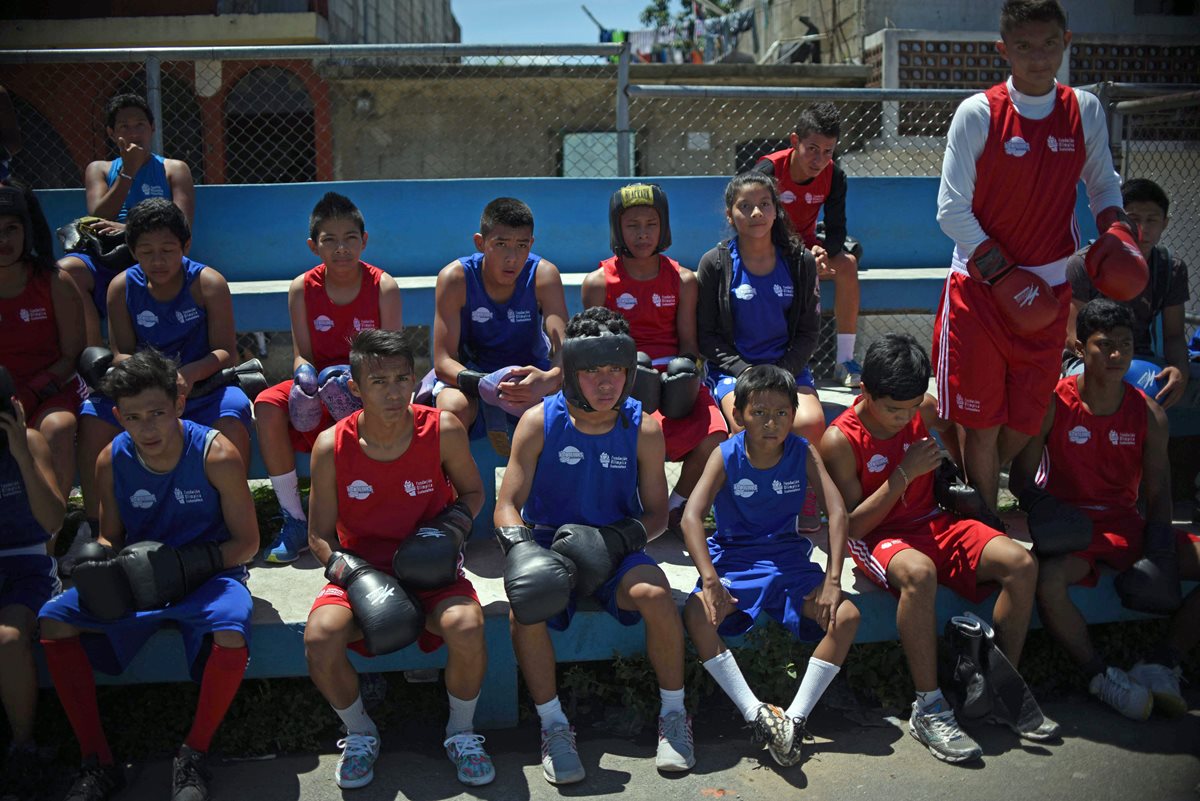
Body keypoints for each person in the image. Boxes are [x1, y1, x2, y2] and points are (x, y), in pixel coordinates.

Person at [932, 0, 1144, 515]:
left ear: (1066, 41)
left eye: (1049, 43)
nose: (1037, 57)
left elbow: (1102, 186)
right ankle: (983, 522)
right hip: (980, 290)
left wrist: (1116, 227)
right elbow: (949, 210)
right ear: (1004, 49)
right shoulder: (979, 113)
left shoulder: (1085, 110)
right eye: (1023, 46)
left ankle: (959, 484)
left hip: (1049, 293)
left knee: (1026, 420)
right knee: (980, 421)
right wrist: (1003, 274)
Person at [820, 334, 1054, 763]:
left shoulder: (921, 409)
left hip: (934, 523)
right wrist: (904, 476)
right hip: (879, 536)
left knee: (1021, 562)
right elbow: (852, 524)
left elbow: (953, 429)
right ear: (864, 392)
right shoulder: (840, 439)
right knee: (920, 573)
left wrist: (955, 479)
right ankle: (929, 707)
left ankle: (1001, 687)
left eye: (911, 408)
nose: (904, 418)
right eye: (893, 410)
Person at [39, 348, 258, 801]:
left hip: (208, 574)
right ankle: (97, 761)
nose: (147, 427)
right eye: (134, 417)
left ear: (179, 404)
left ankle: (194, 753)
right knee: (54, 618)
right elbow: (109, 537)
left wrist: (186, 566)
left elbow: (248, 543)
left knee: (233, 626)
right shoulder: (111, 459)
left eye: (157, 412)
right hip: (138, 577)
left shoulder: (216, 454)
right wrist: (91, 561)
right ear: (118, 417)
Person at [494, 307, 693, 783]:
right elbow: (506, 504)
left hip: (619, 544)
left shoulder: (641, 426)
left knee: (656, 594)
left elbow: (658, 514)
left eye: (615, 370)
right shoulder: (540, 421)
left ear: (629, 371)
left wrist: (615, 539)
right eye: (591, 371)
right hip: (549, 546)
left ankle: (674, 715)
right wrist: (523, 551)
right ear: (571, 372)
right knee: (526, 610)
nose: (605, 383)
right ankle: (554, 726)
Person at [304, 329, 494, 789]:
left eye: (402, 379)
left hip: (431, 564)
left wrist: (448, 529)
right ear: (355, 388)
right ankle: (359, 734)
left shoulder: (442, 429)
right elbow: (318, 536)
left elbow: (472, 493)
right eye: (379, 381)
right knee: (320, 637)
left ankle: (462, 733)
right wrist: (355, 575)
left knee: (467, 626)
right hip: (362, 569)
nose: (393, 392)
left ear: (414, 380)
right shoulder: (331, 445)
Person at [1011, 298, 1200, 720]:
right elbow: (1022, 479)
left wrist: (1160, 548)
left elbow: (1159, 493)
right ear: (1080, 348)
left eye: (1125, 345)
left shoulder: (1149, 414)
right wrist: (1044, 508)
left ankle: (1161, 661)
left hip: (1125, 526)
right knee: (1049, 580)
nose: (1116, 355)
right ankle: (1100, 675)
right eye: (1104, 345)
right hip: (1074, 529)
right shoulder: (1053, 403)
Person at [681, 364, 860, 768]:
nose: (771, 423)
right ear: (739, 414)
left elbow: (837, 511)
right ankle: (756, 714)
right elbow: (691, 518)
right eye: (759, 412)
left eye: (781, 413)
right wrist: (710, 580)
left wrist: (833, 580)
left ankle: (794, 720)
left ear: (794, 416)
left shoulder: (802, 451)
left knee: (845, 616)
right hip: (735, 561)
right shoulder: (725, 453)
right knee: (696, 612)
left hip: (789, 562)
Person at [75, 198, 253, 538]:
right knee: (92, 417)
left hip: (201, 385)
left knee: (233, 413)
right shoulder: (121, 287)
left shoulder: (208, 283)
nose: (158, 260)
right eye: (147, 251)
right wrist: (157, 377)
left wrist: (187, 375)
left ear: (185, 245)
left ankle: (234, 523)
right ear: (131, 249)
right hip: (144, 392)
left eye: (168, 250)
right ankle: (96, 526)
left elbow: (225, 352)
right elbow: (121, 353)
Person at [253, 191, 402, 563]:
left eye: (350, 238)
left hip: (370, 384)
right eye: (330, 240)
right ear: (313, 246)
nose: (341, 249)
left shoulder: (384, 286)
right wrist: (304, 378)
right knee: (268, 405)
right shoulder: (302, 287)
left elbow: (393, 358)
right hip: (320, 384)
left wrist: (353, 380)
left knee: (364, 398)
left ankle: (355, 514)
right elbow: (303, 352)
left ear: (364, 241)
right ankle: (293, 517)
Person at [581, 183, 726, 531]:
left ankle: (676, 508)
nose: (642, 234)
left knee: (717, 437)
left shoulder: (684, 279)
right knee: (619, 427)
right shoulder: (599, 282)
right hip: (620, 380)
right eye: (632, 225)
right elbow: (591, 349)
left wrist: (683, 377)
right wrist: (630, 376)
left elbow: (689, 343)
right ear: (618, 228)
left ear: (664, 228)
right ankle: (630, 507)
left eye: (651, 224)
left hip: (672, 378)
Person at [696, 171, 824, 531]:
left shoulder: (800, 262)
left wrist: (782, 373)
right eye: (745, 206)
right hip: (735, 371)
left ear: (776, 210)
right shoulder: (716, 264)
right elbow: (707, 336)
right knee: (744, 422)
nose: (756, 213)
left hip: (788, 368)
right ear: (729, 214)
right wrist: (745, 371)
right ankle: (744, 500)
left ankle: (803, 493)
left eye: (764, 205)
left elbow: (809, 332)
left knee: (810, 421)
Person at [428, 197, 567, 455]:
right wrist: (487, 384)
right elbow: (443, 360)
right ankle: (460, 492)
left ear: (531, 245)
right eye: (501, 244)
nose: (512, 257)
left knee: (579, 404)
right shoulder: (455, 278)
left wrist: (547, 380)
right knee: (450, 410)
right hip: (471, 377)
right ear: (480, 243)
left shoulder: (543, 275)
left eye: (522, 245)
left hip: (530, 376)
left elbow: (564, 352)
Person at [63, 93, 196, 343]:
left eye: (140, 125)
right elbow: (99, 215)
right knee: (67, 271)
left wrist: (128, 229)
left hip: (152, 252)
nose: (133, 133)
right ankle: (93, 353)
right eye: (124, 126)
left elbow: (183, 225)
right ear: (112, 133)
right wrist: (128, 171)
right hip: (108, 253)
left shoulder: (174, 169)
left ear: (152, 128)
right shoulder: (99, 169)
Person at [754, 102, 863, 387]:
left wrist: (825, 253)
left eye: (828, 151)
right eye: (812, 148)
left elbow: (838, 228)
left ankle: (845, 361)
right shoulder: (767, 170)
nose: (819, 159)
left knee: (848, 265)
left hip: (808, 248)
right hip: (768, 248)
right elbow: (753, 227)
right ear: (795, 141)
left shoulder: (835, 176)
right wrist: (800, 255)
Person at [1064, 178, 1197, 408]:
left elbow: (1174, 335)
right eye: (1134, 220)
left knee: (1170, 392)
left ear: (1165, 223)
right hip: (1087, 359)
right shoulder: (1085, 263)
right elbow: (1072, 336)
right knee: (1105, 393)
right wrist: (1112, 367)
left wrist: (1180, 370)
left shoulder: (1170, 269)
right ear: (1121, 222)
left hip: (1140, 356)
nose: (1142, 230)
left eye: (1152, 220)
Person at [0, 367, 65, 798]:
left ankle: (22, 746)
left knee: (7, 640)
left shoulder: (32, 443)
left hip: (28, 566)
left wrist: (22, 455)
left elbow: (52, 521)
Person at [0, 181, 87, 501]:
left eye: (11, 228)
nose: (3, 240)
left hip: (51, 390)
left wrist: (33, 391)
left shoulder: (54, 281)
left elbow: (72, 355)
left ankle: (49, 541)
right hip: (3, 395)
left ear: (28, 230)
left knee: (57, 430)